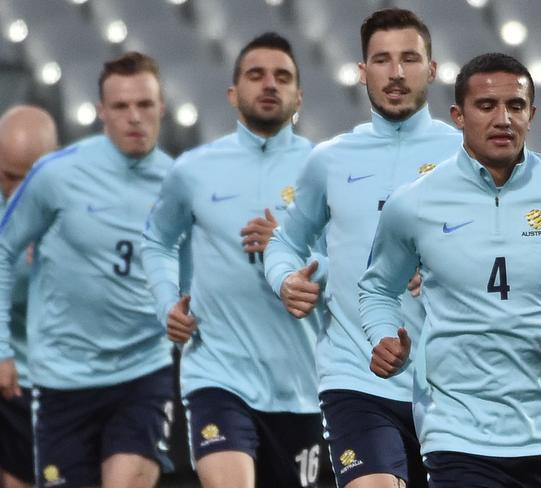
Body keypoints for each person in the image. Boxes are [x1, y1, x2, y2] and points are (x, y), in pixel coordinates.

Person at [358, 52, 541, 488]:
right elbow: (377, 288)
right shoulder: (414, 203)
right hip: (459, 433)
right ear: (458, 115)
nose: (503, 118)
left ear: (532, 114)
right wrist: (382, 336)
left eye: (515, 105)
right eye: (487, 106)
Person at [264, 8, 462, 488]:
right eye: (382, 60)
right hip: (356, 376)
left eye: (409, 59)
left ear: (432, 70)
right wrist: (285, 278)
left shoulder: (466, 155)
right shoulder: (330, 160)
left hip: (455, 385)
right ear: (361, 71)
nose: (396, 73)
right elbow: (286, 243)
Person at [142, 32, 325, 488]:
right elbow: (157, 241)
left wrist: (289, 248)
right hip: (217, 374)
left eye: (282, 77)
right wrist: (167, 301)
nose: (269, 84)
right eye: (256, 75)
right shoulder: (193, 170)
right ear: (232, 93)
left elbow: (352, 256)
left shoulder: (326, 170)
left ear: (298, 95)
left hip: (301, 387)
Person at [0, 52, 176, 488]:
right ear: (101, 112)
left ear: (161, 107)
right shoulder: (55, 180)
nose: (134, 116)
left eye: (144, 104)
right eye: (120, 106)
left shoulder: (181, 183)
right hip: (56, 378)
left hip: (141, 371)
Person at [0, 105, 58, 488]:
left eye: (31, 178)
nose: (19, 192)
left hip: (69, 379)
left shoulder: (84, 211)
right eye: (9, 178)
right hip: (11, 381)